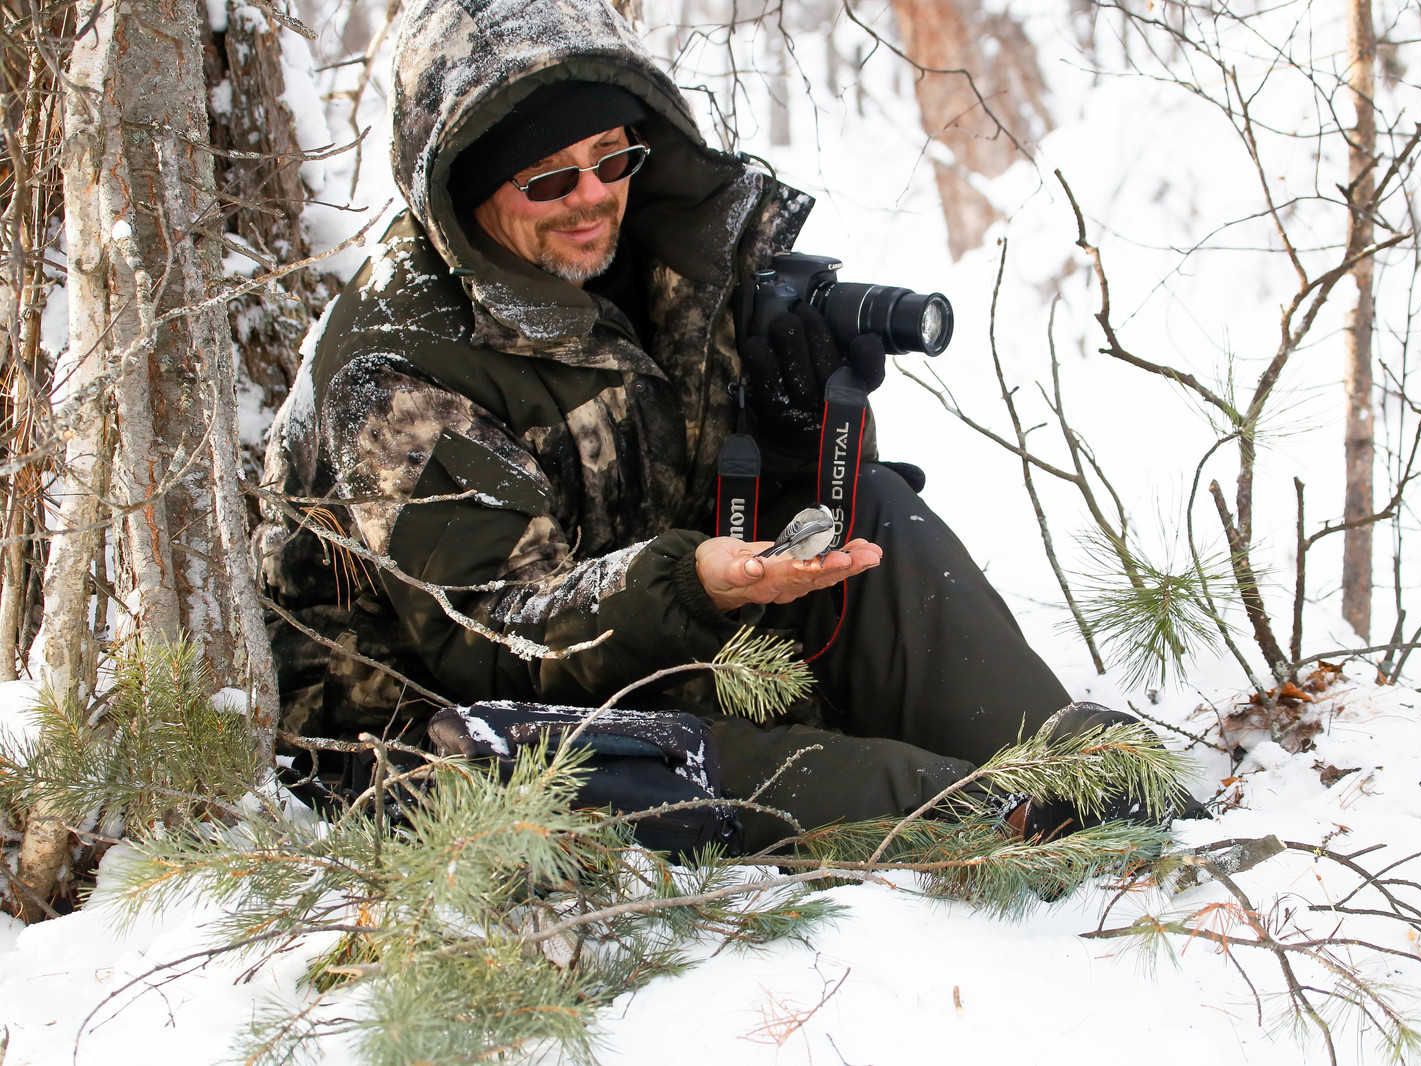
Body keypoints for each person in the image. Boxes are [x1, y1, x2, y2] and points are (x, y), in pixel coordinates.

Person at [256, 0, 1185, 848]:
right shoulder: (395, 373)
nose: (593, 197)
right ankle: (1001, 822)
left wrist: (792, 439)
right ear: (465, 192)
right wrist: (686, 580)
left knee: (868, 513)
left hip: (662, 632)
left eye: (613, 159)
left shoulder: (665, 264)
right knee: (794, 777)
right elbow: (498, 639)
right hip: (452, 735)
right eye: (548, 181)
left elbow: (697, 488)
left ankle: (1085, 772)